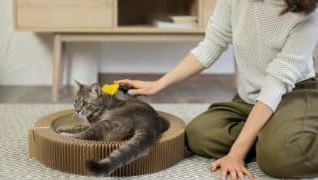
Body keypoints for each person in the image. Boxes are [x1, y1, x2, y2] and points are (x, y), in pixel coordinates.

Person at [115, 0, 318, 179]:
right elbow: (212, 43)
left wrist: (236, 153)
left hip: (293, 94)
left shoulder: (309, 15)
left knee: (280, 160)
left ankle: (276, 143)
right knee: (198, 134)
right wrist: (158, 84)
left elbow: (275, 86)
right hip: (250, 98)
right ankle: (270, 137)